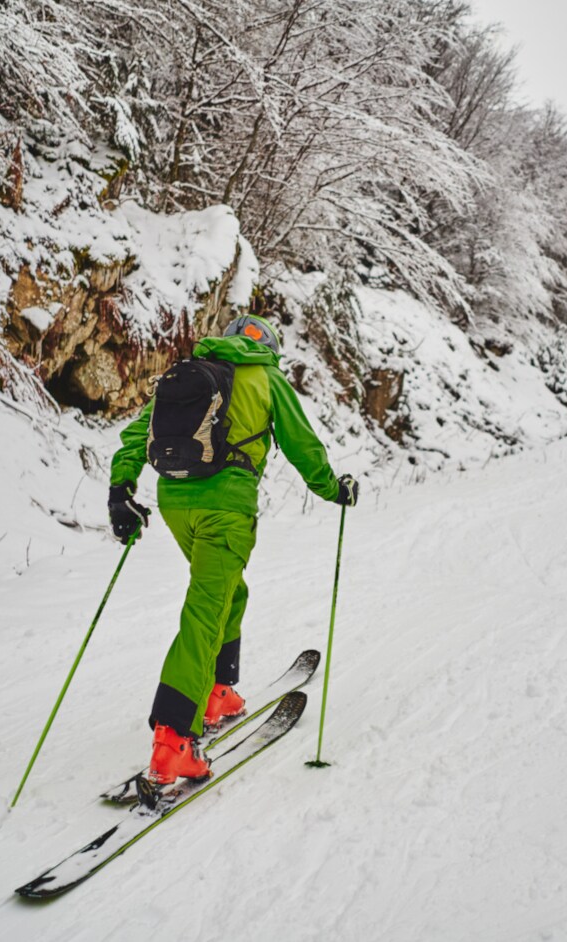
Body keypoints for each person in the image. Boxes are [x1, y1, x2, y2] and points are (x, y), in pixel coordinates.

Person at [108, 313, 357, 784]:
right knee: (205, 609)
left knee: (228, 592)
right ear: (271, 346)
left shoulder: (189, 371)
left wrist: (120, 489)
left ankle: (219, 691)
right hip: (226, 506)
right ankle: (173, 738)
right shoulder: (267, 377)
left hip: (175, 502)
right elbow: (302, 445)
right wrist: (333, 489)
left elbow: (138, 435)